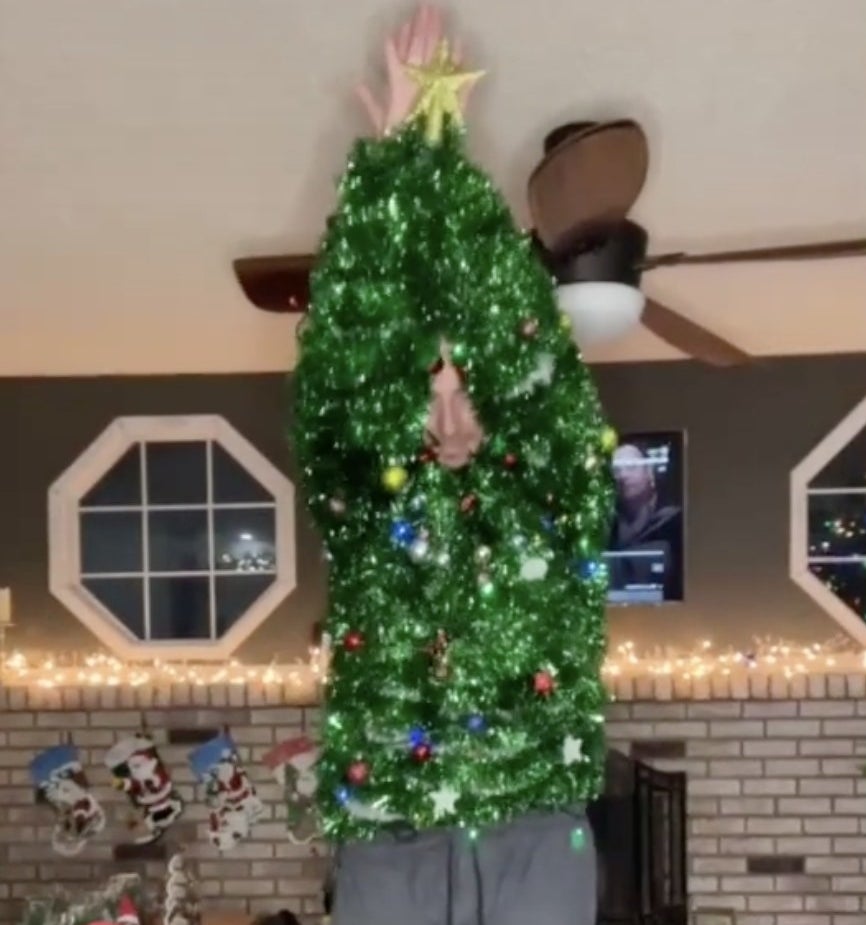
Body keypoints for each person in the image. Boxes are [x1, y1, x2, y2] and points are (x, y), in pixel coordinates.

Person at [608, 443, 682, 599]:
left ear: (650, 474)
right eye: (616, 470)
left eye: (631, 467)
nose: (623, 476)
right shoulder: (605, 528)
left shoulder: (676, 524)